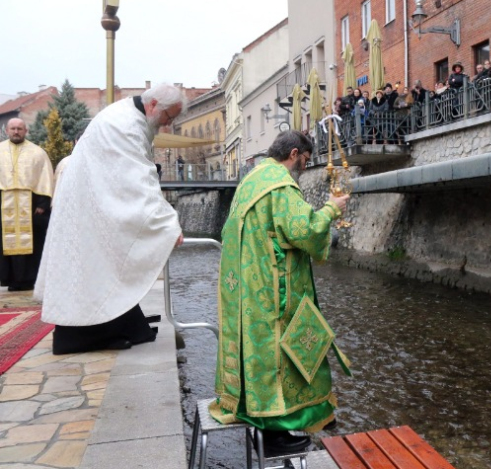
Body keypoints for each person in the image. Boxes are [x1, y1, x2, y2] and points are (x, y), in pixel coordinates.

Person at [209, 130, 351, 455]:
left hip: (246, 288)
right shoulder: (282, 185)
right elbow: (305, 231)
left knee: (256, 357)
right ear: (294, 153)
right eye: (305, 159)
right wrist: (331, 209)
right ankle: (275, 433)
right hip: (274, 289)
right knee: (281, 357)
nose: (305, 165)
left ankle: (255, 416)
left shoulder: (253, 180)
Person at [35, 83, 186, 354]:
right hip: (90, 205)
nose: (167, 124)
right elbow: (139, 178)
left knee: (106, 265)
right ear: (154, 106)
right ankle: (85, 336)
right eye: (168, 117)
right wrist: (167, 224)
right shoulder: (126, 125)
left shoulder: (133, 118)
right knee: (96, 267)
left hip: (92, 201)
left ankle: (123, 325)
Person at [0, 118, 54, 291]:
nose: (16, 132)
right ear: (7, 130)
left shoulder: (37, 153)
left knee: (32, 243)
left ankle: (29, 279)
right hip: (3, 203)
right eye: (13, 128)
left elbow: (45, 178)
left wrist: (43, 204)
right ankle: (8, 278)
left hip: (30, 204)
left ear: (26, 130)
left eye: (20, 129)